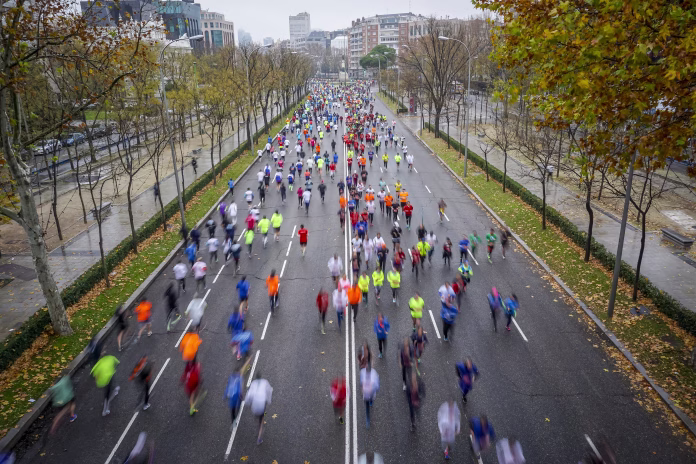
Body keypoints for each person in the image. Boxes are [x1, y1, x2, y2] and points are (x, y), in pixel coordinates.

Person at [246, 373, 273, 444]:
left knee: (257, 416)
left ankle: (257, 420)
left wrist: (247, 402)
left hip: (254, 406)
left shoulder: (253, 384)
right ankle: (259, 438)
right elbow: (269, 391)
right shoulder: (265, 382)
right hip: (261, 405)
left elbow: (249, 395)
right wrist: (269, 400)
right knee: (261, 421)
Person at [360, 363, 379, 429]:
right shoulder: (362, 372)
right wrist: (362, 388)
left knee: (371, 401)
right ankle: (368, 419)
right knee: (367, 407)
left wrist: (373, 389)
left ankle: (371, 401)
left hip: (371, 394)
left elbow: (377, 385)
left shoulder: (374, 374)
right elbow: (361, 382)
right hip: (365, 394)